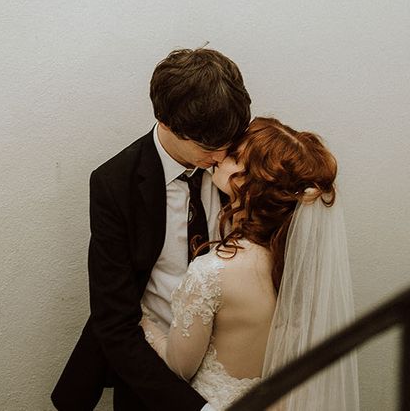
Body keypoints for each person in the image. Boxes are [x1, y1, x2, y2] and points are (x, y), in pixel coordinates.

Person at [51, 47, 252, 411]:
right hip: (150, 379)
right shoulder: (115, 184)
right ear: (166, 121)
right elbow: (114, 321)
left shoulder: (238, 161)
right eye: (210, 147)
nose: (224, 157)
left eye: (230, 143)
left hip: (233, 370)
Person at [139, 117, 359, 410]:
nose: (219, 154)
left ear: (247, 181)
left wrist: (143, 321)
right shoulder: (302, 268)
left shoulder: (212, 273)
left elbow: (180, 367)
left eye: (233, 155)